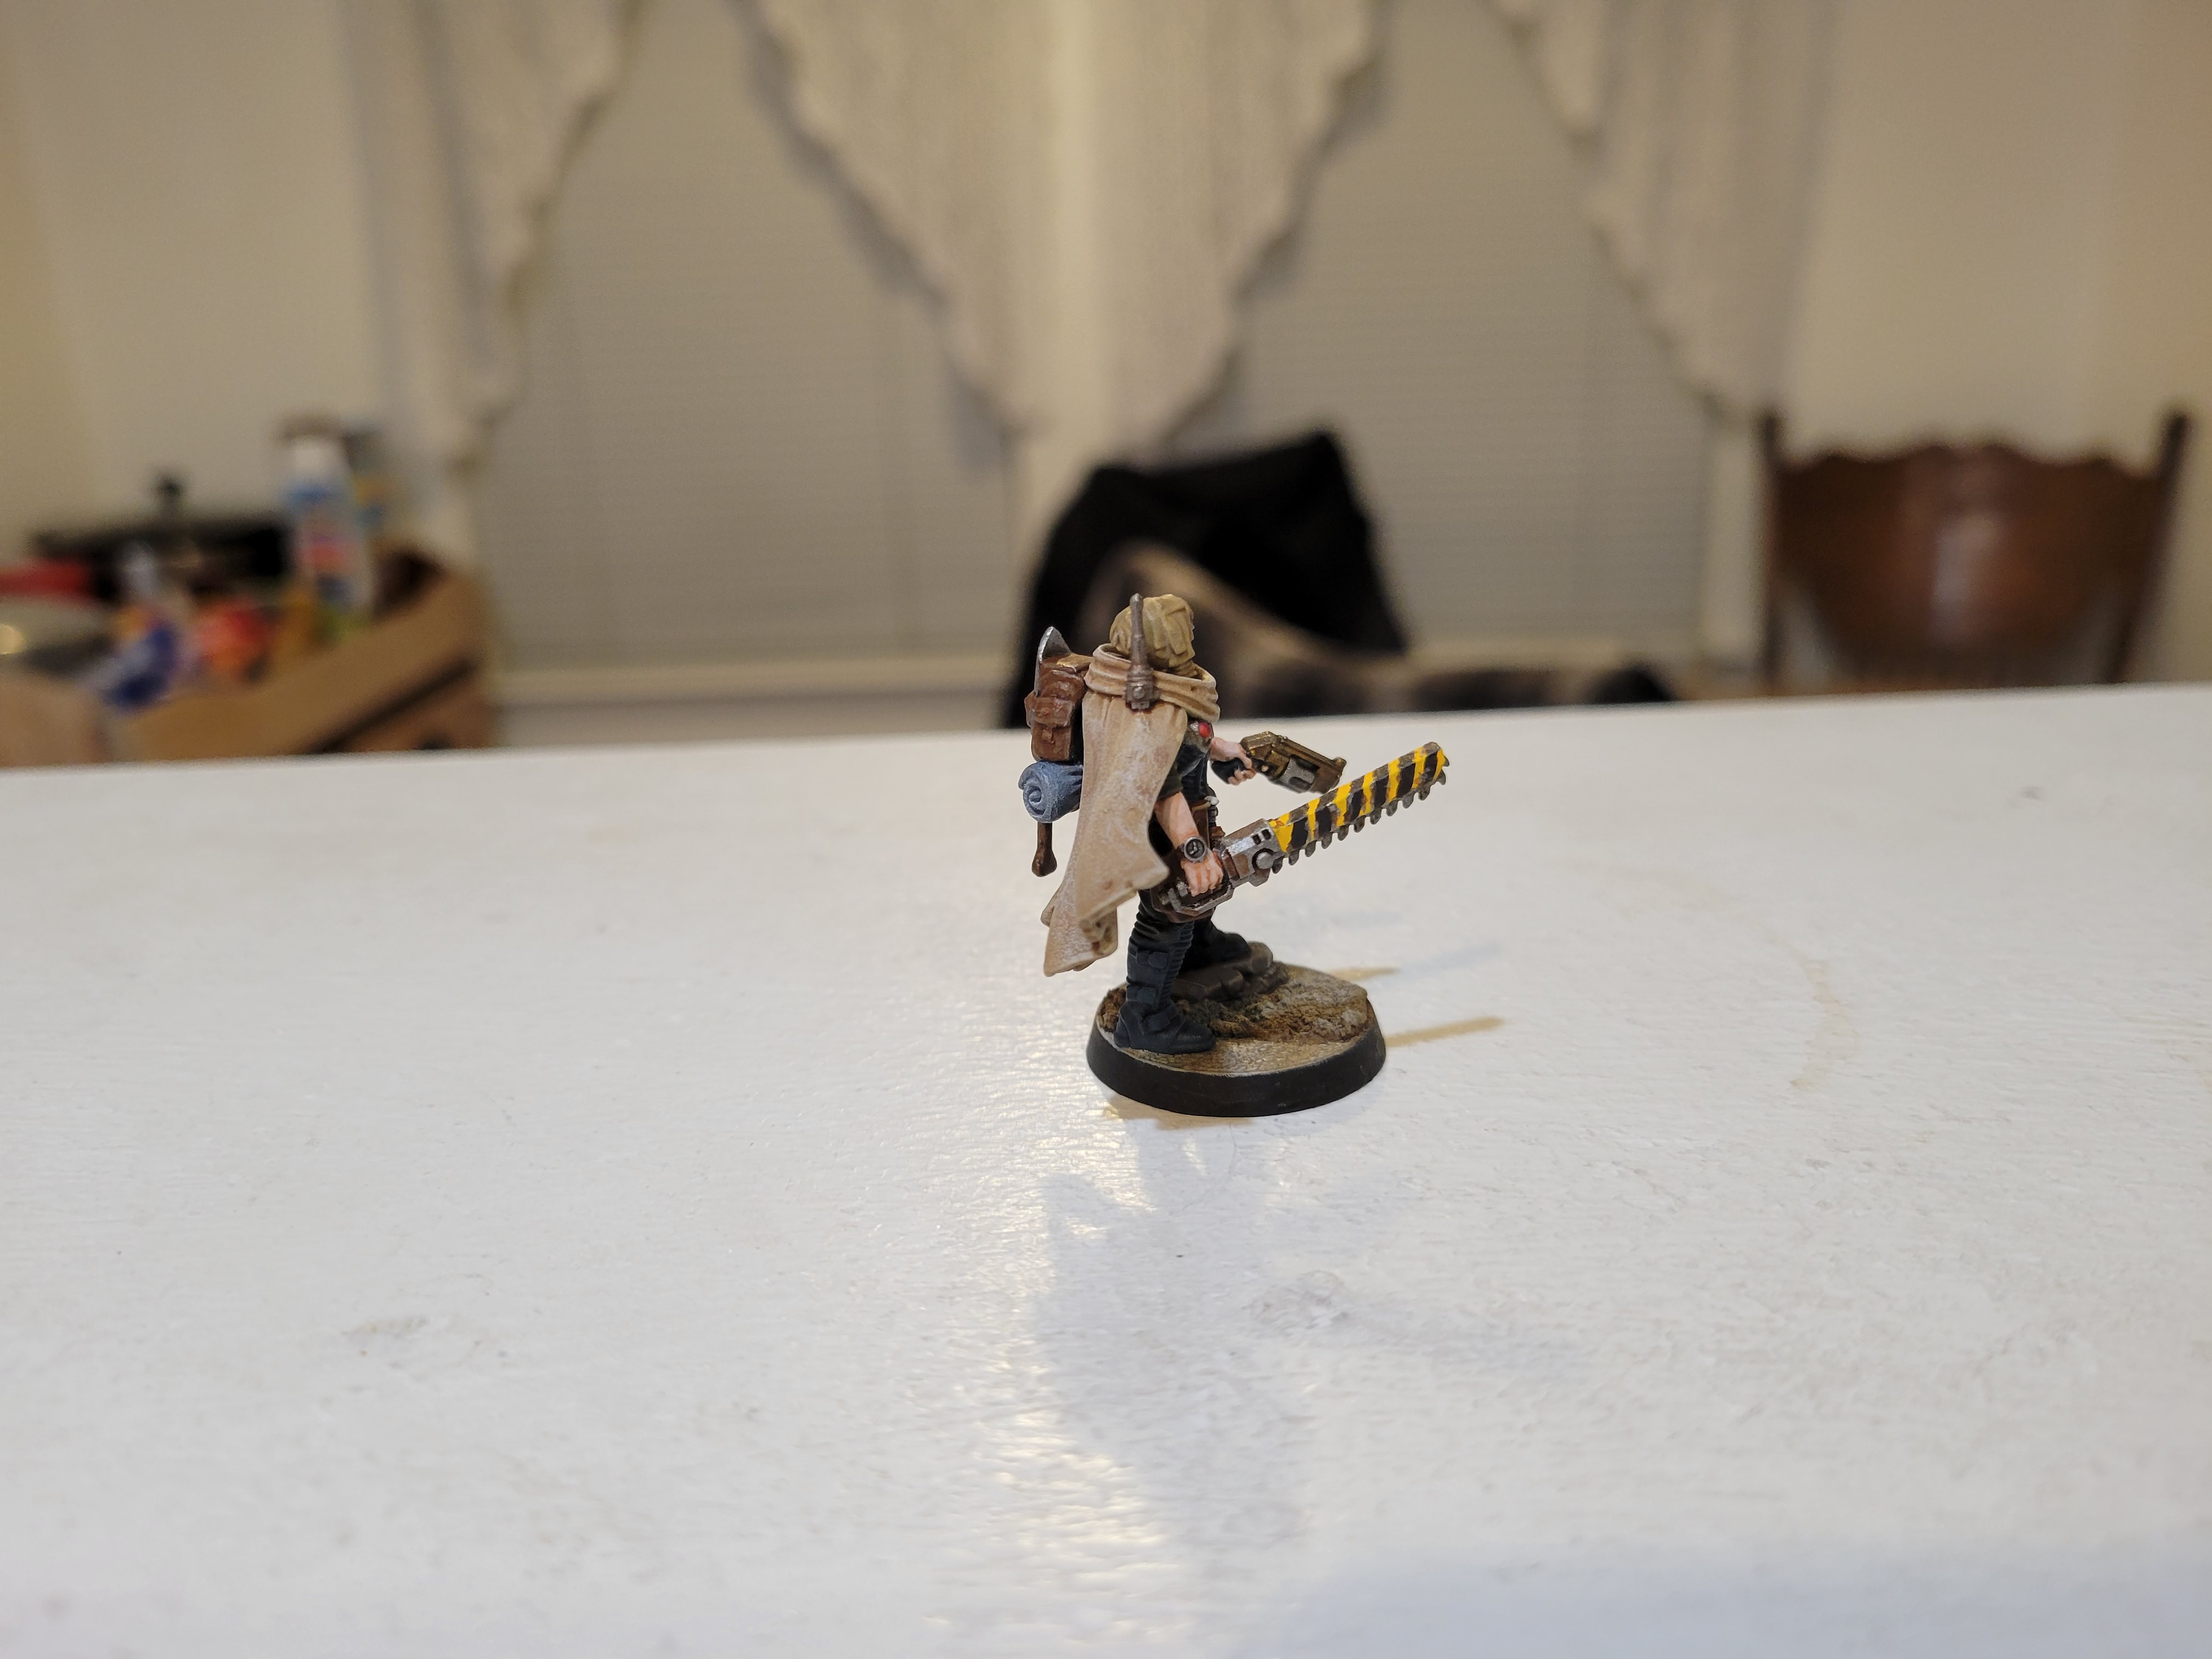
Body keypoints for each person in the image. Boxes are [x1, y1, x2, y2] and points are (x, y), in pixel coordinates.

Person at [1038, 594, 1261, 1054]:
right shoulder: (1141, 707)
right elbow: (1160, 786)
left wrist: (1221, 750)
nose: (1193, 636)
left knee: (1196, 901)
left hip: (1191, 816)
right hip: (1158, 831)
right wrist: (1192, 851)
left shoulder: (1170, 689)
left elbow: (1186, 734)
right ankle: (1145, 1017)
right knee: (1168, 913)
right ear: (1169, 642)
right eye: (1186, 630)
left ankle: (1198, 949)